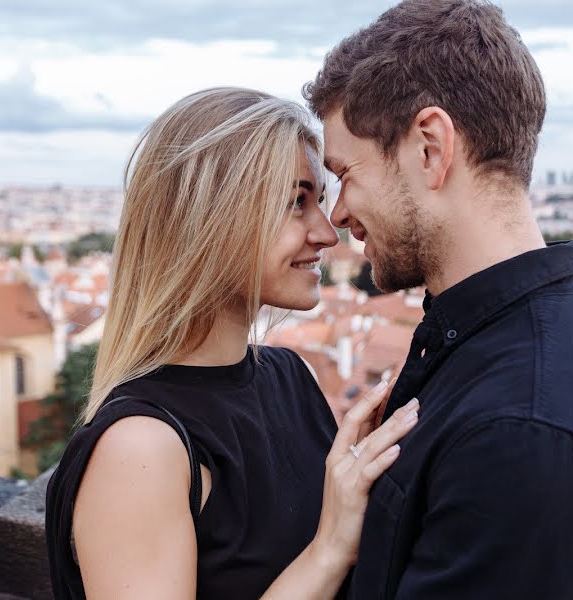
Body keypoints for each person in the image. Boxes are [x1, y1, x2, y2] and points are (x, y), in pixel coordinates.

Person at [303, 1, 573, 598]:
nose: (338, 214)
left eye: (346, 174)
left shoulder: (519, 431)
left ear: (430, 149)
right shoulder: (503, 356)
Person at [45, 87, 420, 599]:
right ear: (211, 220)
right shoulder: (141, 448)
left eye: (321, 201)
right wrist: (330, 548)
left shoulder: (291, 377)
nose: (328, 234)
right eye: (297, 203)